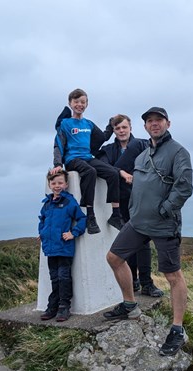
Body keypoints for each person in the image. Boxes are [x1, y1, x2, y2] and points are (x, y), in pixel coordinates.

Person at [104, 107, 193, 356]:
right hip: (138, 221)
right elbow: (136, 183)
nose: (154, 124)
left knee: (173, 275)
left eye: (159, 120)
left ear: (168, 123)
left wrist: (165, 210)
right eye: (150, 121)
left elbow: (184, 187)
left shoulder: (178, 152)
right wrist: (133, 209)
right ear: (144, 127)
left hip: (164, 223)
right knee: (114, 257)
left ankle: (177, 329)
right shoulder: (142, 156)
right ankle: (130, 304)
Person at [97, 114, 163, 297]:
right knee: (127, 242)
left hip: (142, 199)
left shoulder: (142, 144)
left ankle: (147, 283)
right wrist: (121, 171)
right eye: (117, 128)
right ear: (113, 131)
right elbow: (101, 167)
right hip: (121, 201)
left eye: (124, 127)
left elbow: (154, 165)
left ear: (130, 128)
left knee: (143, 242)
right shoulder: (108, 150)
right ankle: (132, 280)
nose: (121, 131)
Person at [51, 88, 123, 234]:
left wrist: (110, 124)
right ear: (70, 103)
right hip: (72, 159)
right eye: (76, 101)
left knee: (113, 173)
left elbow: (102, 137)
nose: (80, 104)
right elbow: (58, 144)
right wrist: (58, 164)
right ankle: (90, 216)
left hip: (88, 157)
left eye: (83, 102)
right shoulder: (65, 124)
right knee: (90, 172)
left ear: (87, 104)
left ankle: (115, 215)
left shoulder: (88, 124)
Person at [39, 169, 87, 322]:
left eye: (60, 183)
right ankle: (52, 306)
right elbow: (42, 220)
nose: (57, 186)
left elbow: (82, 219)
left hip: (64, 247)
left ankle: (64, 307)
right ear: (49, 185)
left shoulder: (69, 201)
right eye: (53, 183)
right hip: (50, 248)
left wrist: (73, 233)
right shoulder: (46, 204)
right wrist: (42, 232)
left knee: (63, 277)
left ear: (66, 184)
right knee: (54, 278)